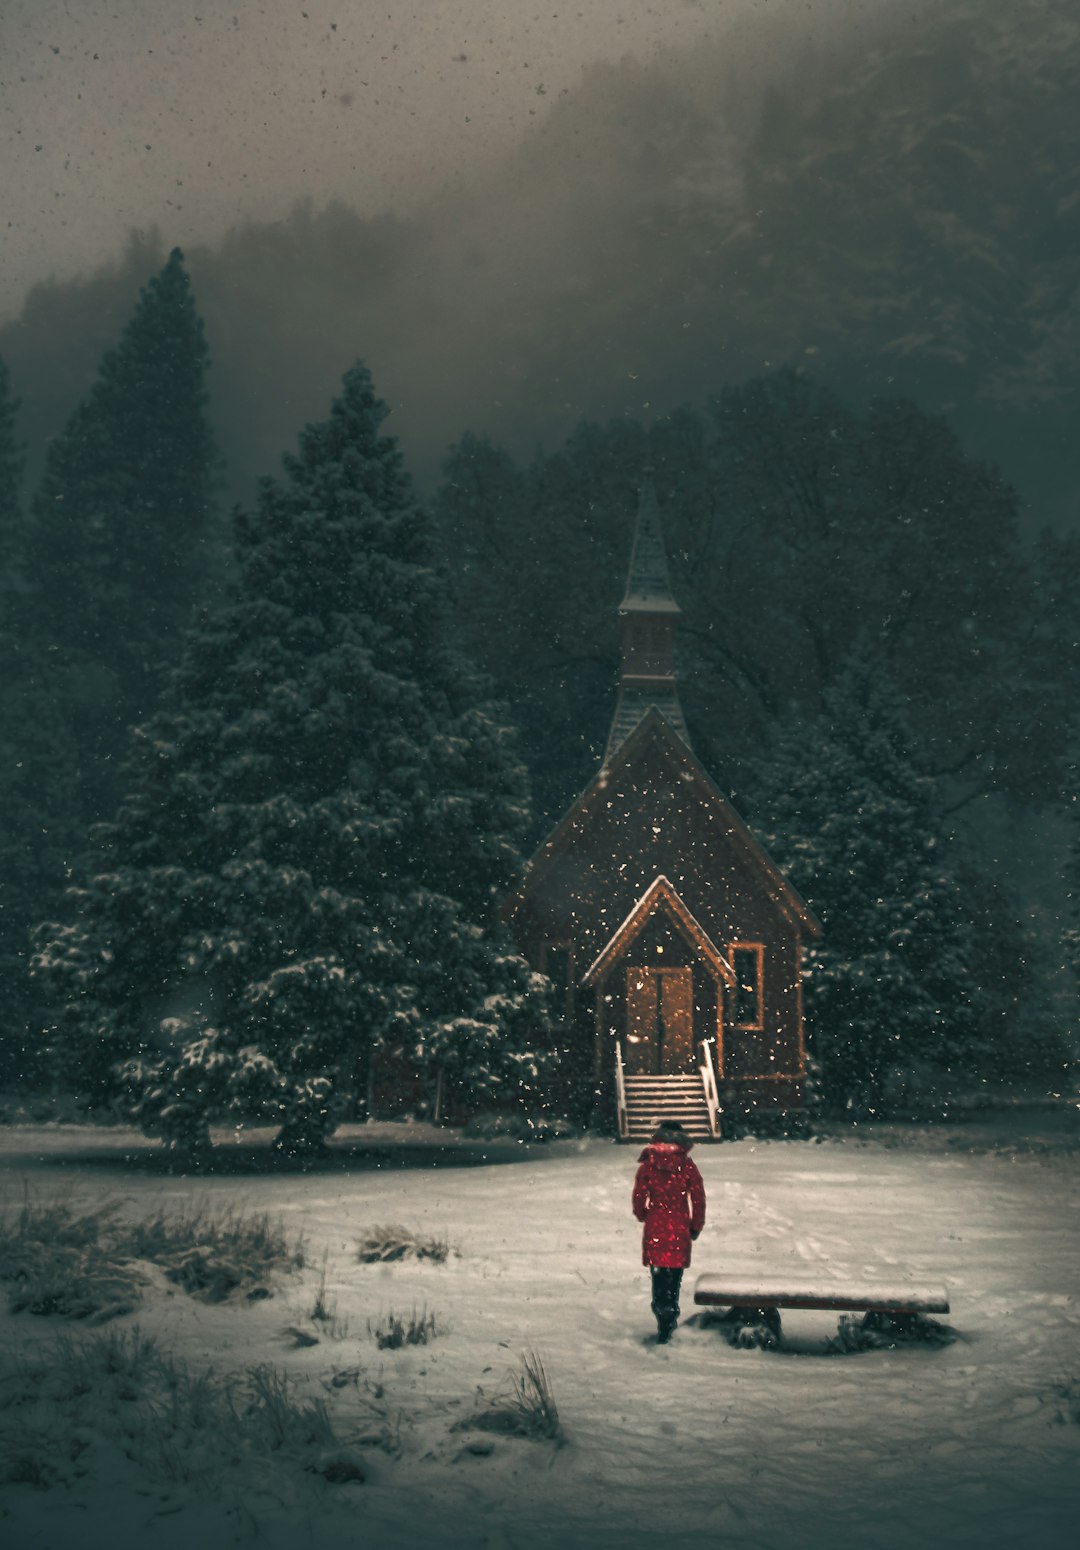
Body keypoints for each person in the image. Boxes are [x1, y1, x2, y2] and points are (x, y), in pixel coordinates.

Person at [632, 1119, 707, 1343]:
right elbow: (698, 1197)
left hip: (656, 1224)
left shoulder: (648, 1163)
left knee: (658, 1277)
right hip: (679, 1226)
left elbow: (639, 1195)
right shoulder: (687, 1165)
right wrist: (696, 1225)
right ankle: (670, 1315)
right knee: (674, 1278)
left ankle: (660, 1311)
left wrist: (643, 1213)